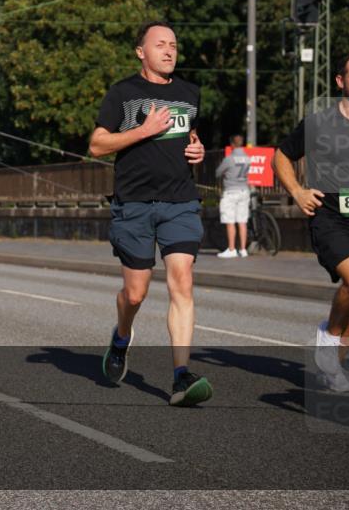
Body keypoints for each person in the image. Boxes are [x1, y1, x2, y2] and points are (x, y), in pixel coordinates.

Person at [89, 20, 212, 407]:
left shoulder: (189, 93)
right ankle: (122, 336)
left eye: (174, 44)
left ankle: (180, 376)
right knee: (136, 293)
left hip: (179, 201)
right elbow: (97, 144)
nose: (169, 50)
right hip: (134, 204)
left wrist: (198, 150)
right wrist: (142, 130)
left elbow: (189, 136)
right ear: (141, 52)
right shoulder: (123, 93)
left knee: (182, 282)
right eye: (160, 44)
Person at [273, 53, 349, 392]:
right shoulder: (321, 123)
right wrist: (298, 192)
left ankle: (332, 366)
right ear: (340, 82)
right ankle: (329, 336)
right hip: (330, 218)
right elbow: (282, 155)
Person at [214, 133, 251, 258]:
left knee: (230, 221)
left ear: (232, 144)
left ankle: (231, 249)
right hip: (244, 191)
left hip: (231, 191)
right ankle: (243, 249)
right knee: (242, 221)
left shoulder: (229, 159)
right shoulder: (247, 158)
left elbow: (218, 173)